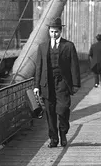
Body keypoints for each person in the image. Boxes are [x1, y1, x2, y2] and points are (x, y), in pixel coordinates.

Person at [32, 17, 81, 147]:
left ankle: (63, 133)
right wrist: (36, 86)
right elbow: (39, 67)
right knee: (50, 112)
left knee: (63, 109)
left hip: (62, 82)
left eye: (56, 32)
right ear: (49, 31)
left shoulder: (69, 46)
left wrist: (76, 84)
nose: (54, 34)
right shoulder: (42, 47)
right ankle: (53, 139)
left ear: (61, 31)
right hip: (47, 83)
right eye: (52, 32)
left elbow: (74, 66)